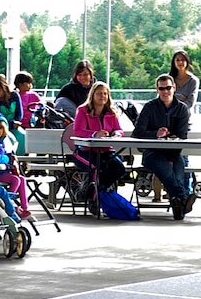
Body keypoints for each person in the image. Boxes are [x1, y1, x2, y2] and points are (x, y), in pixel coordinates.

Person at [134, 74, 193, 219]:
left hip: (173, 152)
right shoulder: (149, 107)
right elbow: (138, 133)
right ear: (157, 90)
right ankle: (183, 198)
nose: (165, 91)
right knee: (167, 172)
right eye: (162, 88)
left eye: (168, 88)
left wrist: (170, 142)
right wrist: (156, 134)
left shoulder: (182, 109)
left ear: (174, 88)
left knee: (178, 173)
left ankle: (178, 206)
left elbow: (182, 135)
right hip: (151, 153)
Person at [69, 81, 128, 195]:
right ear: (92, 95)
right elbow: (78, 131)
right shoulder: (83, 110)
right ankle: (95, 198)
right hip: (85, 151)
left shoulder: (111, 112)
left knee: (119, 168)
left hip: (106, 150)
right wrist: (95, 134)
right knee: (99, 168)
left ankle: (101, 192)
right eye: (99, 93)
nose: (103, 96)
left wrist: (117, 134)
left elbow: (119, 129)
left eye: (105, 93)